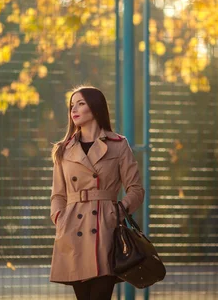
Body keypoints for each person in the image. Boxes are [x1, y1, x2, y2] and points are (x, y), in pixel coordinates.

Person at [49, 86, 145, 300]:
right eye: (72, 105)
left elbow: (136, 189)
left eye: (81, 103)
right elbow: (58, 195)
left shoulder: (118, 145)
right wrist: (59, 218)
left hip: (105, 228)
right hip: (72, 229)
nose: (74, 109)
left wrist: (117, 211)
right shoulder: (63, 150)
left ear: (96, 107)